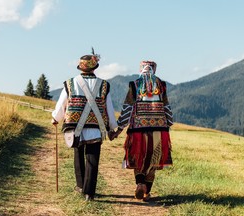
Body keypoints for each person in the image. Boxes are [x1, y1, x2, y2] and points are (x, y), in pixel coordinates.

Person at [51, 49, 118, 201]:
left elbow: (62, 103)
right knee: (92, 159)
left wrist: (56, 117)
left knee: (78, 155)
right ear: (95, 68)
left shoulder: (70, 83)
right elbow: (109, 108)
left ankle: (80, 185)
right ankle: (89, 193)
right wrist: (112, 127)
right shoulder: (104, 85)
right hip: (96, 126)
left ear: (81, 67)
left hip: (75, 127)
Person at [112, 60, 173, 202]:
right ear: (154, 70)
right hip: (159, 129)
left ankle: (140, 183)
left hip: (138, 130)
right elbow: (166, 106)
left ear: (141, 69)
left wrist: (119, 129)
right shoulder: (161, 85)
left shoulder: (134, 85)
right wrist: (169, 122)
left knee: (139, 158)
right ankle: (147, 192)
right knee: (154, 160)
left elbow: (128, 108)